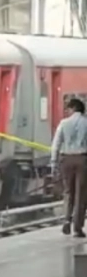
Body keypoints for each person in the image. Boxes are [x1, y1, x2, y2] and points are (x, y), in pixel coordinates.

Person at [51, 97, 87, 237]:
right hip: (83, 159)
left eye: (68, 109)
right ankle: (77, 228)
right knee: (81, 195)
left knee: (68, 192)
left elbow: (56, 143)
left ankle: (66, 221)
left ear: (73, 109)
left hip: (66, 160)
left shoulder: (63, 123)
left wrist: (53, 162)